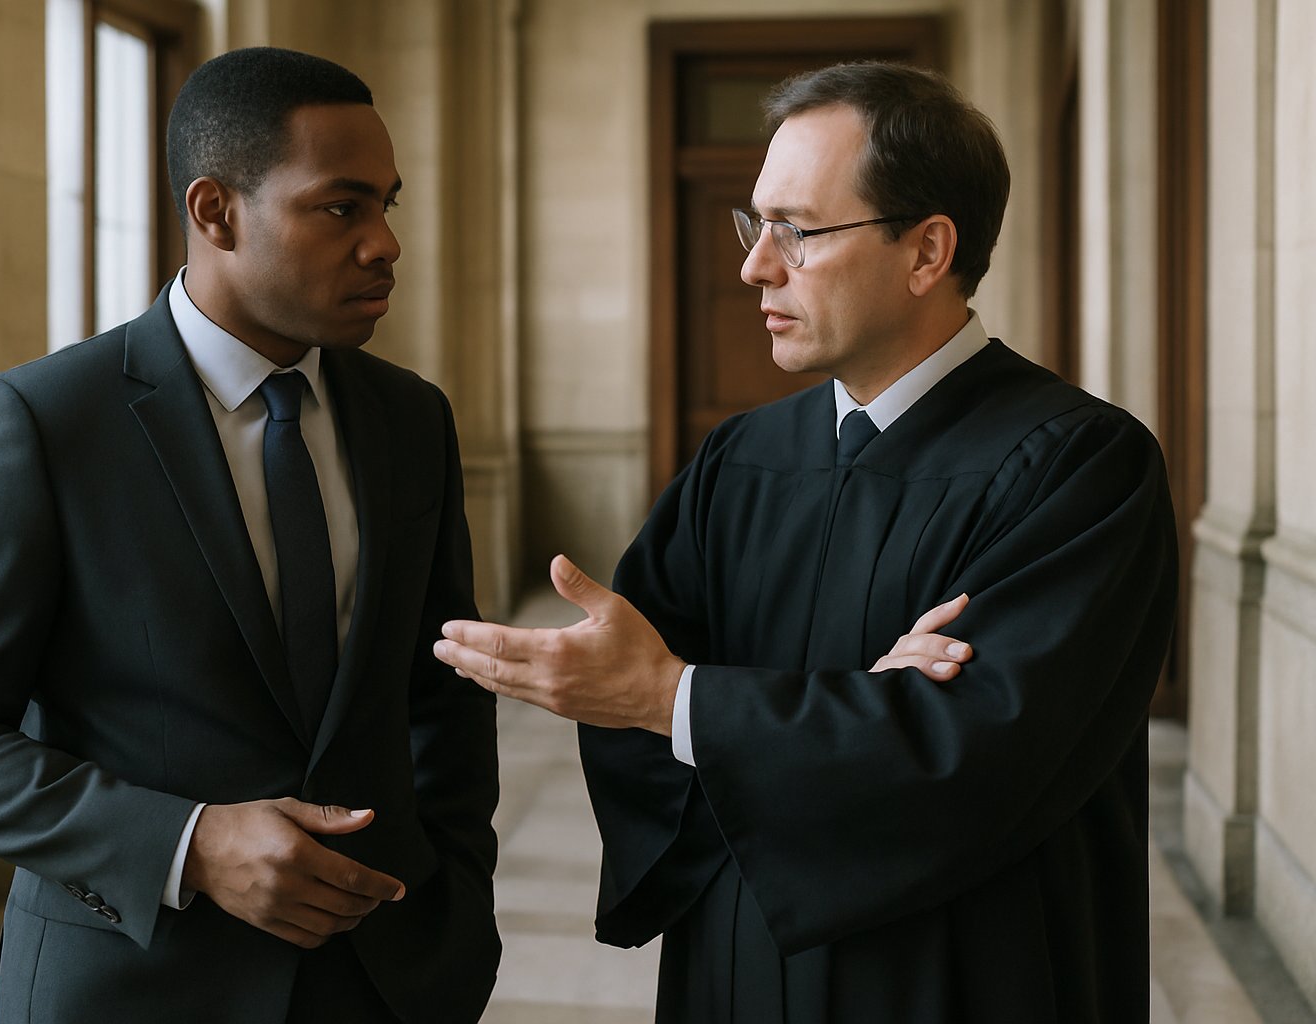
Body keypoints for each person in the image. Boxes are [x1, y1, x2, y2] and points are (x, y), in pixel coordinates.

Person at [433, 61, 1176, 1023]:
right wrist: (859, 708)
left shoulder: (1080, 465)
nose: (755, 265)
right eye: (756, 225)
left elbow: (981, 756)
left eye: (799, 230)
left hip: (964, 974)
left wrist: (684, 699)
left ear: (927, 251)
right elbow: (633, 711)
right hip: (739, 959)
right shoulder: (740, 459)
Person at [0, 48, 498, 1024]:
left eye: (389, 204)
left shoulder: (412, 420)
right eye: (342, 207)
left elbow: (440, 694)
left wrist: (460, 914)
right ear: (216, 212)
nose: (385, 244)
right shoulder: (41, 423)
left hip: (383, 980)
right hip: (133, 984)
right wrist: (189, 843)